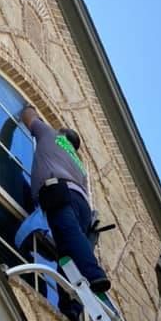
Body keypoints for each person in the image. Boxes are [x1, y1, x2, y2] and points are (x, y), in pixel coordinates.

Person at [19, 104, 111, 297]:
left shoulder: (50, 135)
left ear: (62, 133)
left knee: (68, 234)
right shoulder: (78, 163)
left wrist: (28, 108)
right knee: (67, 254)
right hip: (82, 203)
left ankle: (94, 274)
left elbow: (29, 117)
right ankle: (71, 309)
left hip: (58, 190)